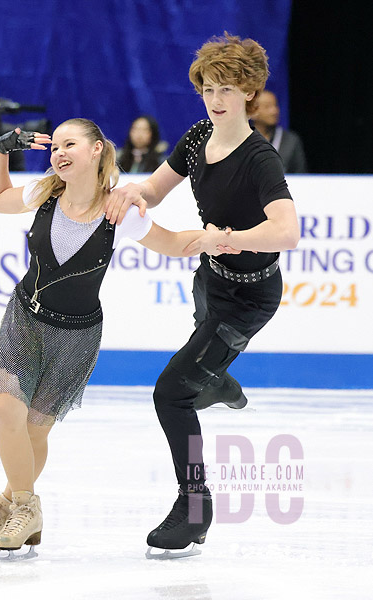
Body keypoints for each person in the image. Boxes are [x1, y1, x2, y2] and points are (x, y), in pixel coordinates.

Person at [0, 118, 207, 560]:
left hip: (75, 335)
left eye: (70, 144)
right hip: (24, 320)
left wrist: (221, 238)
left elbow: (172, 244)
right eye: (56, 146)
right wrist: (1, 150)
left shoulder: (120, 212)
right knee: (4, 408)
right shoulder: (44, 192)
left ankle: (5, 505)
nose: (59, 153)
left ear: (96, 151)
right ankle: (26, 508)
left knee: (34, 431)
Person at [105, 33, 300, 558]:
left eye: (228, 89)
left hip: (250, 297)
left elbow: (286, 232)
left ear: (250, 93)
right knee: (199, 370)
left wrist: (230, 239)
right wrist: (131, 192)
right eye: (209, 88)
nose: (216, 99)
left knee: (171, 393)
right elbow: (154, 188)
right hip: (210, 283)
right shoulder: (196, 138)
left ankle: (195, 506)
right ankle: (219, 381)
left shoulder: (261, 159)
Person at [251, 89, 307, 173]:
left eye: (275, 106)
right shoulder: (240, 140)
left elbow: (301, 176)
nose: (274, 111)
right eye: (267, 107)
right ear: (252, 112)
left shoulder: (290, 140)